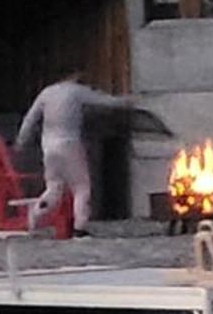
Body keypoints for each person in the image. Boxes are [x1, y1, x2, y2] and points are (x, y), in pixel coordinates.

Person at [16, 69, 133, 233]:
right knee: (81, 187)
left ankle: (36, 215)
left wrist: (21, 140)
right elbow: (105, 101)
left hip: (48, 146)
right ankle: (80, 226)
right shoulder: (76, 91)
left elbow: (30, 118)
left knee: (54, 187)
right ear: (74, 77)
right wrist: (128, 100)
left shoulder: (47, 92)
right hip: (69, 143)